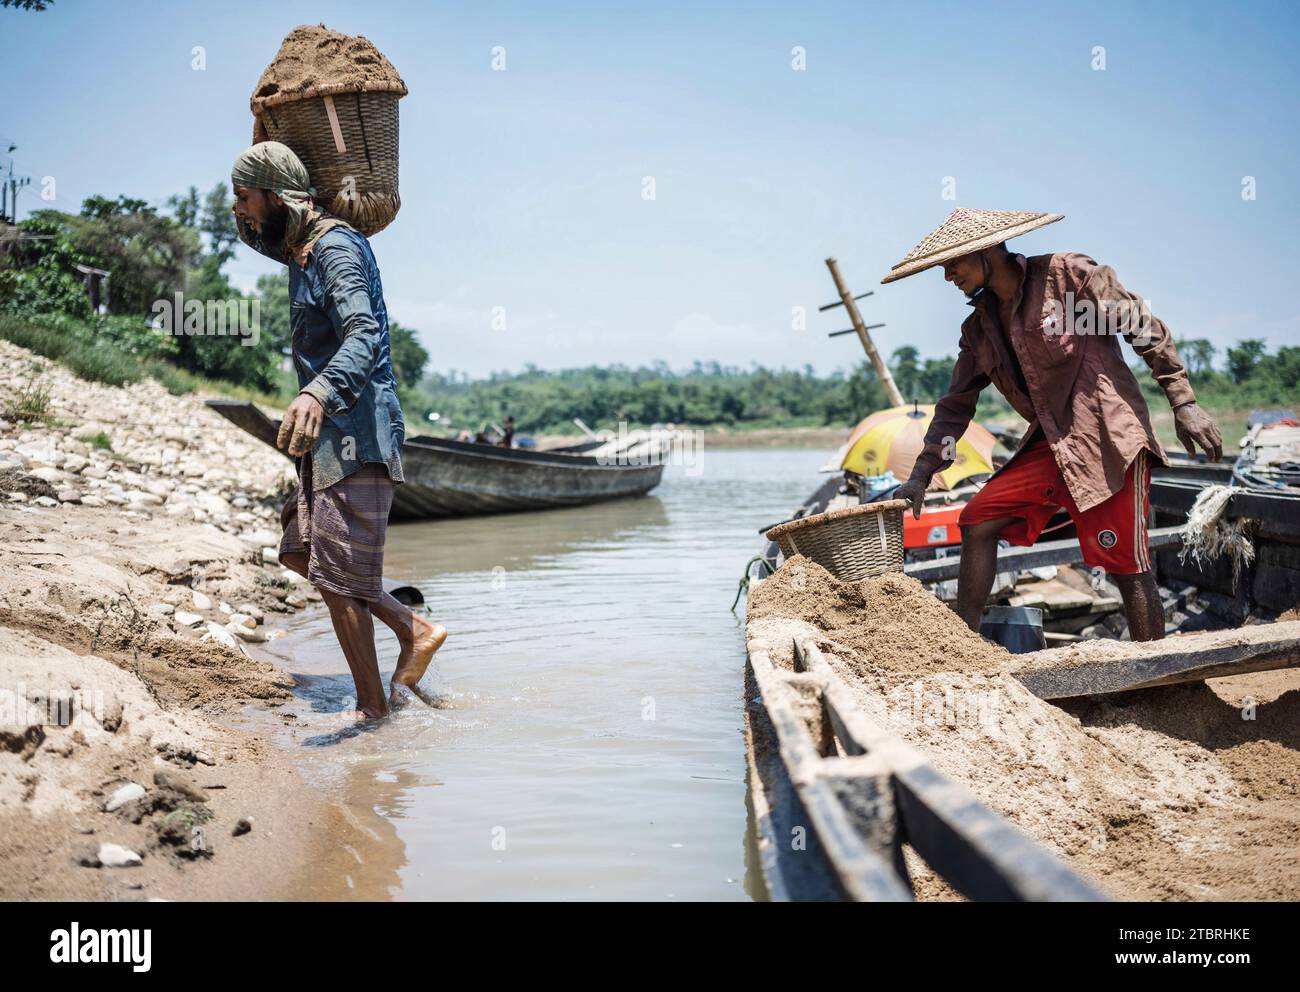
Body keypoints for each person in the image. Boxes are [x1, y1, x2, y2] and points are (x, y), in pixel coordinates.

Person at [884, 208, 1222, 642]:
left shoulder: (1068, 275)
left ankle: (1154, 670)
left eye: (954, 263)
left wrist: (1184, 403)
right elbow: (955, 405)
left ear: (987, 251)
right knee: (977, 520)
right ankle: (964, 647)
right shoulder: (980, 328)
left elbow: (1143, 327)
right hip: (1050, 445)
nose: (948, 276)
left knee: (1125, 564)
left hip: (1107, 441)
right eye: (942, 268)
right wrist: (920, 475)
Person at [230, 141, 446, 718]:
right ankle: (410, 626)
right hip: (327, 433)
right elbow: (260, 232)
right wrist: (254, 170)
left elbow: (364, 334)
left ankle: (373, 709)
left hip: (358, 430)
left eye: (245, 198)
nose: (241, 212)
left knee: (337, 573)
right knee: (303, 551)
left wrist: (317, 391)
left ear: (277, 196)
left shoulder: (335, 250)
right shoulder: (297, 248)